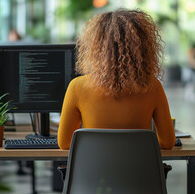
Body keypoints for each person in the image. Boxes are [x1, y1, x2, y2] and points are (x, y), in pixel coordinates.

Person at [57, 9, 176, 150]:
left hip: (93, 171)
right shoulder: (152, 86)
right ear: (143, 47)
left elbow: (64, 144)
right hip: (140, 171)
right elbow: (167, 143)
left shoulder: (77, 87)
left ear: (96, 47)